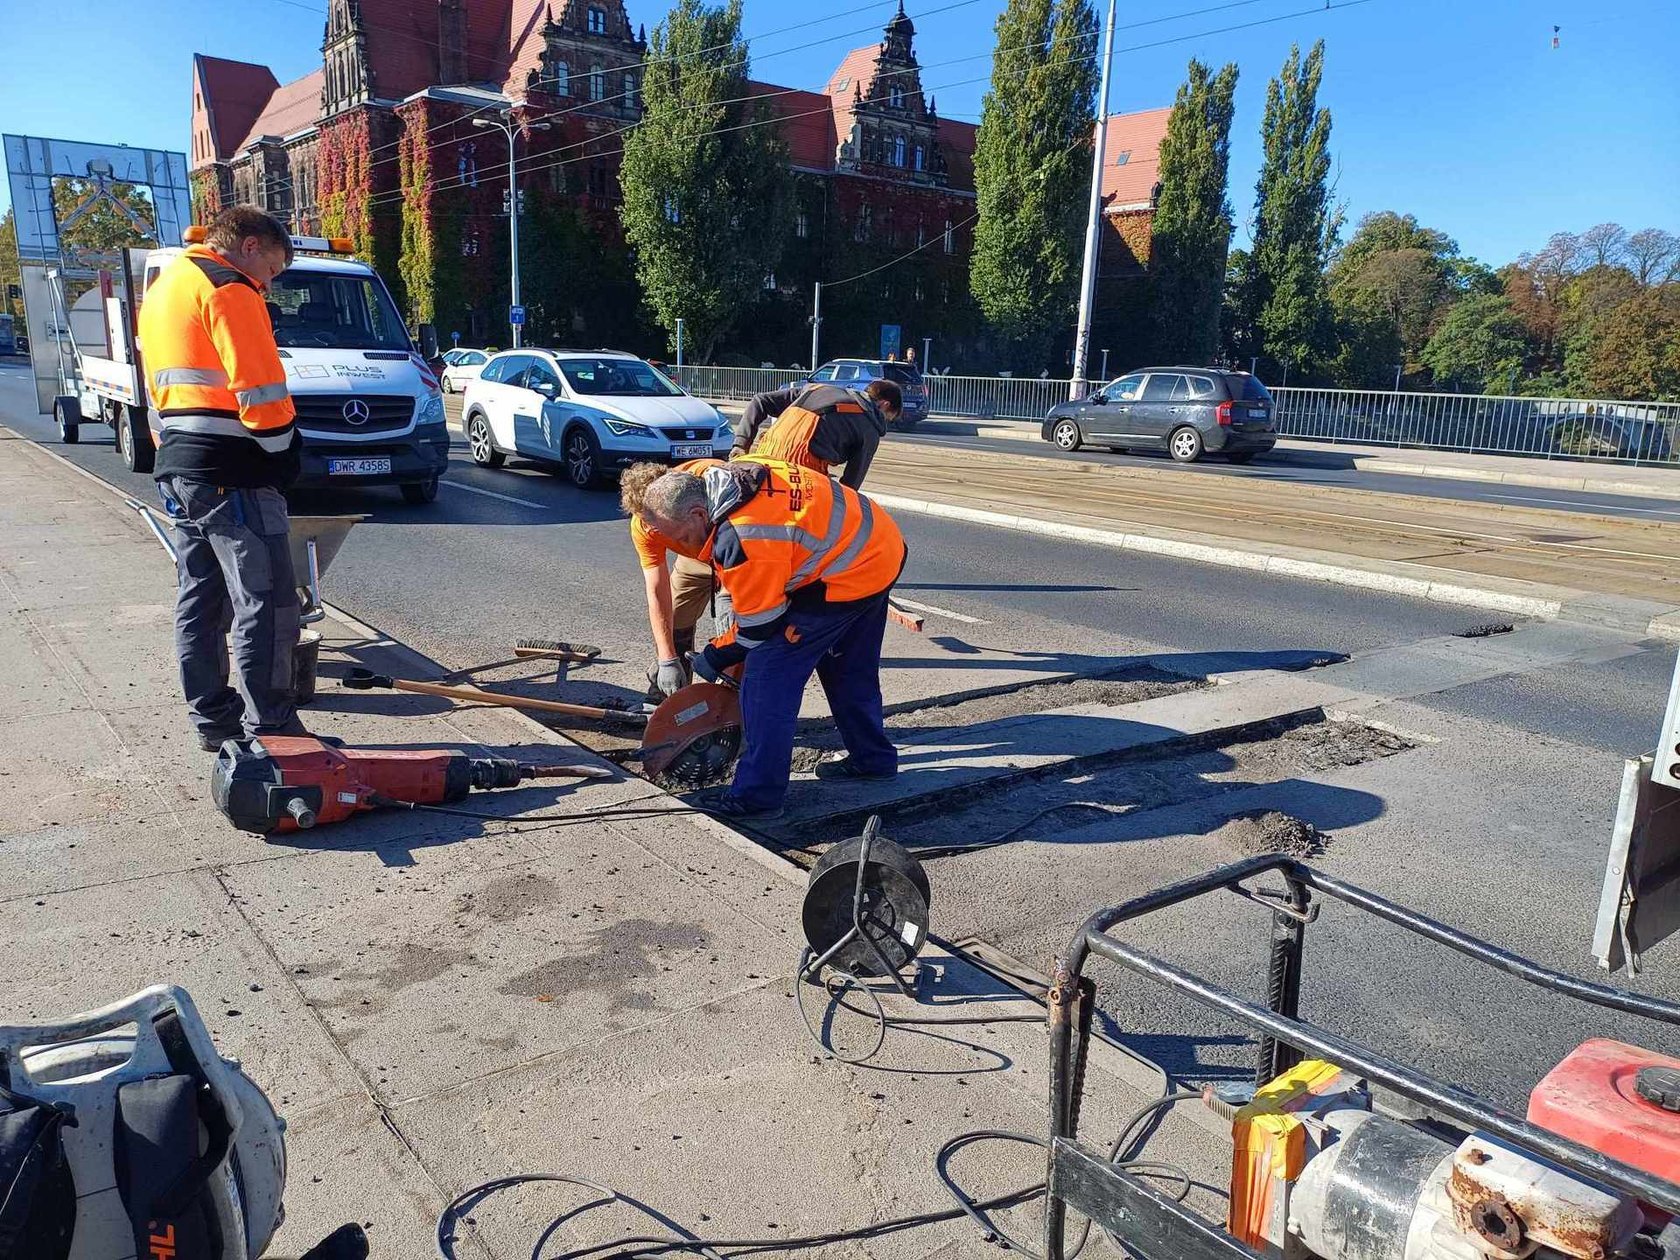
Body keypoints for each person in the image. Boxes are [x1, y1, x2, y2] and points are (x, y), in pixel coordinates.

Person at [622, 457, 906, 821]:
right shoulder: (725, 478)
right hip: (877, 548)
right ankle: (873, 760)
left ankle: (757, 797)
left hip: (846, 572)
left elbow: (759, 626)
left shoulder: (745, 535)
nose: (682, 546)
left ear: (697, 513)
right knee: (849, 669)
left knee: (767, 681)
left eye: (681, 538)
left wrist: (714, 655)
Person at [140, 205, 304, 750]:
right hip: (233, 469)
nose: (269, 284)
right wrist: (284, 453)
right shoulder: (230, 288)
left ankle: (213, 721)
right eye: (273, 270)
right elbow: (260, 389)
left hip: (181, 465)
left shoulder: (167, 286)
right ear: (250, 246)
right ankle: (274, 731)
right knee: (269, 601)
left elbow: (159, 387)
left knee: (203, 599)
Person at [622, 458, 731, 701]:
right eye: (648, 523)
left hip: (732, 550)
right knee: (674, 617)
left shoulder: (708, 484)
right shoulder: (643, 524)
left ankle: (735, 700)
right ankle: (671, 696)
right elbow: (657, 590)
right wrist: (667, 659)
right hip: (694, 556)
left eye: (657, 522)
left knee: (734, 624)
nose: (654, 530)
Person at [730, 377, 900, 489]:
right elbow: (851, 485)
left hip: (764, 458)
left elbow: (760, 400)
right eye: (888, 418)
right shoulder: (870, 429)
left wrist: (741, 444)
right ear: (884, 405)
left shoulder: (816, 389)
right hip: (802, 474)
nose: (884, 422)